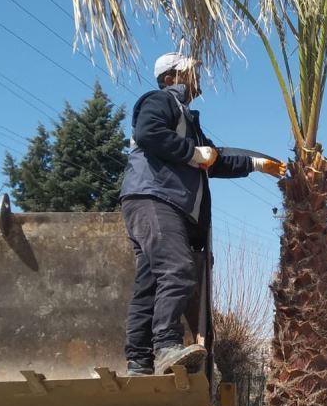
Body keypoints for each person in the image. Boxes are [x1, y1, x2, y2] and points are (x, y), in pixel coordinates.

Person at [120, 52, 285, 375]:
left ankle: (139, 361)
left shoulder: (188, 121)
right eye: (190, 71)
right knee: (179, 270)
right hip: (155, 197)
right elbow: (148, 134)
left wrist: (256, 164)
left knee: (151, 283)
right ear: (171, 78)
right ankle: (166, 346)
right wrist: (194, 153)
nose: (198, 77)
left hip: (155, 201)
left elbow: (215, 160)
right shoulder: (159, 101)